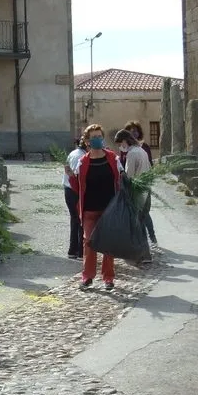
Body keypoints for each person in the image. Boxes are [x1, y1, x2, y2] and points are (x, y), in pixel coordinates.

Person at [70, 124, 120, 291]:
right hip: (89, 209)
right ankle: (88, 276)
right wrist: (71, 178)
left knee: (108, 244)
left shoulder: (113, 159)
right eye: (94, 137)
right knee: (89, 242)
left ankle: (108, 278)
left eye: (99, 136)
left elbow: (121, 181)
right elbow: (78, 187)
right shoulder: (82, 163)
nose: (97, 139)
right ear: (88, 142)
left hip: (109, 209)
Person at [114, 129, 158, 251]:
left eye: (119, 144)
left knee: (137, 221)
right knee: (143, 217)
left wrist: (120, 174)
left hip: (137, 190)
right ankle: (149, 243)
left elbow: (129, 175)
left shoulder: (132, 153)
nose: (120, 147)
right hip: (145, 188)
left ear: (124, 141)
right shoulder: (142, 150)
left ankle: (142, 250)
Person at [64, 138, 87, 260]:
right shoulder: (81, 157)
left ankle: (72, 250)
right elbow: (78, 176)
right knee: (80, 221)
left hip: (67, 189)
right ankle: (80, 252)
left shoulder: (72, 153)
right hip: (74, 190)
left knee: (74, 220)